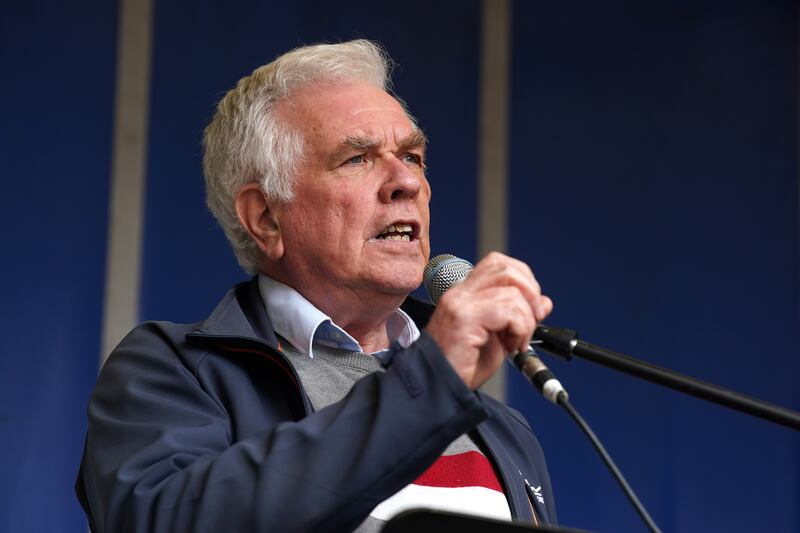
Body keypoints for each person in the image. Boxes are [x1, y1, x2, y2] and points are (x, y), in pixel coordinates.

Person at [76, 39, 557, 532]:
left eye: (412, 156)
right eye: (357, 159)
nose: (406, 183)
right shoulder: (176, 372)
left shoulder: (498, 425)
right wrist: (431, 384)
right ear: (265, 217)